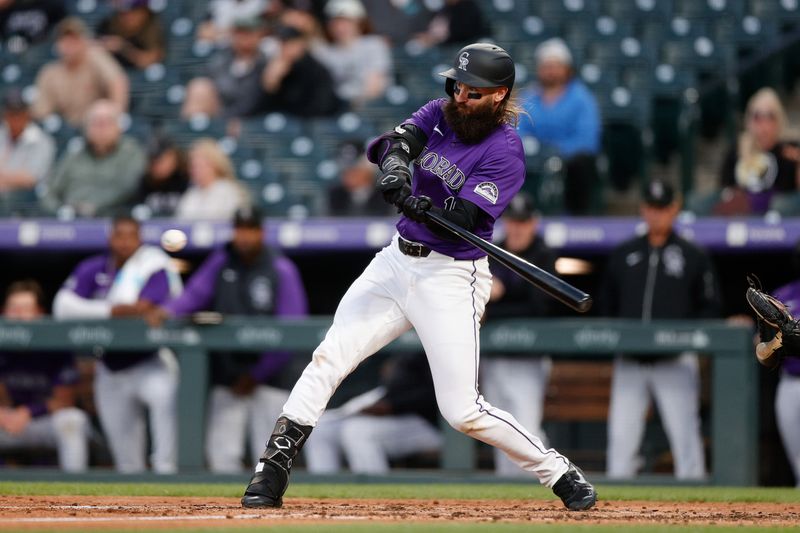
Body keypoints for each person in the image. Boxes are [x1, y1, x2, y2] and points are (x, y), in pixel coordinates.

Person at [241, 42, 596, 511]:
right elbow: (399, 142)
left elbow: (466, 216)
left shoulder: (506, 150)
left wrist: (427, 208)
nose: (462, 97)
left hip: (451, 275)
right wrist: (395, 171)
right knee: (329, 356)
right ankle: (272, 469)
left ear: (499, 95)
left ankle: (558, 471)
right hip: (395, 262)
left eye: (474, 91)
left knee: (462, 410)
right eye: (459, 86)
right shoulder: (440, 111)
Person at [146, 206, 308, 473]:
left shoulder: (280, 268)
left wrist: (258, 374)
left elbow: (291, 331)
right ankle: (229, 513)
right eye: (240, 230)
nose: (244, 237)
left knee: (272, 456)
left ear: (261, 232)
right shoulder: (222, 261)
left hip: (270, 378)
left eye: (250, 230)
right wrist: (167, 311)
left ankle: (272, 509)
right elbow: (194, 295)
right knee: (222, 455)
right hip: (230, 376)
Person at [601, 179, 721, 480]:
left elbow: (710, 306)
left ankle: (698, 512)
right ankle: (611, 512)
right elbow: (606, 305)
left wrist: (686, 338)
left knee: (685, 437)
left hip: (675, 360)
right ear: (643, 209)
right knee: (621, 439)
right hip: (630, 360)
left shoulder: (693, 254)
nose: (656, 215)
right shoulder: (624, 253)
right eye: (652, 208)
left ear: (675, 209)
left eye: (663, 208)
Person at [53, 215, 183, 473]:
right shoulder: (95, 267)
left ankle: (168, 480)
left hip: (149, 362)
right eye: (119, 236)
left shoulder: (153, 265)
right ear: (110, 238)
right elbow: (63, 306)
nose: (124, 242)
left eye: (130, 236)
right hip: (109, 366)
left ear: (139, 239)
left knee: (165, 411)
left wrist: (91, 310)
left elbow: (142, 307)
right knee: (126, 460)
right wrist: (112, 311)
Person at [481, 192, 556, 477]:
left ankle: (556, 478)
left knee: (526, 428)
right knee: (500, 433)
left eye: (523, 222)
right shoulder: (493, 250)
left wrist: (499, 298)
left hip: (528, 359)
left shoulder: (543, 255)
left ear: (534, 223)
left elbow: (539, 306)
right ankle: (509, 500)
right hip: (493, 357)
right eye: (513, 221)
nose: (517, 228)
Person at [0, 280, 89, 472]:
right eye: (13, 309)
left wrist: (28, 412)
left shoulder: (55, 345)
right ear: (4, 313)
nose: (19, 316)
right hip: (7, 421)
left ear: (39, 313)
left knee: (72, 420)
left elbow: (65, 400)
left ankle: (75, 490)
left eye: (25, 309)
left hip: (44, 421)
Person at [304, 351, 441, 474]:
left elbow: (431, 395)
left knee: (358, 431)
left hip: (431, 423)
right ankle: (325, 494)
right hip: (392, 415)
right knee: (320, 428)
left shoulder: (432, 347)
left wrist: (392, 406)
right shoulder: (388, 346)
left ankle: (374, 495)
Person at [517, 38, 601, 215]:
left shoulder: (582, 98)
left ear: (567, 69)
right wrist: (538, 152)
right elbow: (518, 131)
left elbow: (587, 140)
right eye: (546, 66)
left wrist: (554, 152)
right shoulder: (529, 97)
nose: (551, 71)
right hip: (534, 158)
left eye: (556, 66)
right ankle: (521, 213)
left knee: (582, 163)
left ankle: (576, 217)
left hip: (569, 160)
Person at [40, 99, 145, 217]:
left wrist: (94, 206)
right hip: (73, 218)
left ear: (118, 127)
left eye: (106, 123)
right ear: (86, 128)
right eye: (95, 123)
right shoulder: (75, 153)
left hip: (115, 217)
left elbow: (130, 187)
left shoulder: (131, 151)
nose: (101, 129)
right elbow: (51, 189)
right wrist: (60, 209)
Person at [713, 87, 800, 216]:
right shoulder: (738, 147)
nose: (763, 124)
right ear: (749, 120)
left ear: (779, 119)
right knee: (700, 202)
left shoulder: (790, 149)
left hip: (778, 210)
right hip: (745, 205)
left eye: (770, 117)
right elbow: (724, 186)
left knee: (779, 205)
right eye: (757, 117)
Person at [31, 17, 129, 127]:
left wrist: (116, 114)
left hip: (96, 125)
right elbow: (41, 112)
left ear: (84, 41)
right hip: (69, 128)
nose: (69, 45)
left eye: (74, 40)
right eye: (65, 40)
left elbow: (117, 82)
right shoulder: (50, 72)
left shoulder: (95, 57)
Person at [181, 16, 269, 120]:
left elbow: (255, 100)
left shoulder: (266, 64)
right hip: (220, 113)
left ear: (259, 35)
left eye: (249, 32)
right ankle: (190, 131)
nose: (243, 37)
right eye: (239, 32)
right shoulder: (221, 59)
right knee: (199, 87)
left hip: (252, 120)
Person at [312, 0, 392, 107]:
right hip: (334, 108)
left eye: (346, 21)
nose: (340, 27)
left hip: (370, 108)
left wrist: (355, 106)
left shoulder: (374, 45)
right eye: (336, 22)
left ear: (359, 22)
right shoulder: (322, 50)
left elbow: (374, 86)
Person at [261, 23, 343, 118]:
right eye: (282, 43)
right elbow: (265, 110)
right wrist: (271, 84)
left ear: (302, 44)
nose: (285, 48)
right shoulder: (279, 68)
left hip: (312, 125)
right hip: (287, 124)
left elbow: (322, 106)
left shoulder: (316, 70)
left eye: (289, 42)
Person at [0, 88, 56, 214]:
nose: (15, 119)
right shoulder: (2, 134)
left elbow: (30, 179)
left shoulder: (42, 140)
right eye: (11, 114)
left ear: (27, 114)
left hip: (29, 201)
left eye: (18, 113)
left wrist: (4, 178)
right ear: (5, 115)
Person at [174, 138, 250, 221]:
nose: (195, 170)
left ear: (214, 165)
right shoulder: (191, 194)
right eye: (193, 166)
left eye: (200, 166)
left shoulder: (228, 191)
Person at [326, 139, 394, 216]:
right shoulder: (336, 194)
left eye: (355, 168)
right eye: (345, 170)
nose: (349, 173)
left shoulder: (385, 194)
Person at [96, 0, 165, 70]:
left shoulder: (152, 29)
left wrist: (122, 47)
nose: (128, 16)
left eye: (134, 10)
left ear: (145, 12)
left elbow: (149, 61)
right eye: (122, 12)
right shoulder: (107, 26)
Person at [131, 135, 189, 218]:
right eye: (153, 160)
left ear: (173, 156)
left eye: (161, 160)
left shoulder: (186, 179)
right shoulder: (145, 182)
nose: (157, 165)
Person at [408, 0, 488, 50]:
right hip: (445, 46)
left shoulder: (468, 6)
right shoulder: (445, 8)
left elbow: (466, 31)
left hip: (466, 45)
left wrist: (436, 38)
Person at [0, 0, 66, 51]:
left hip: (39, 48)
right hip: (10, 48)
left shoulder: (51, 5)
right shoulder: (8, 6)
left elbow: (63, 29)